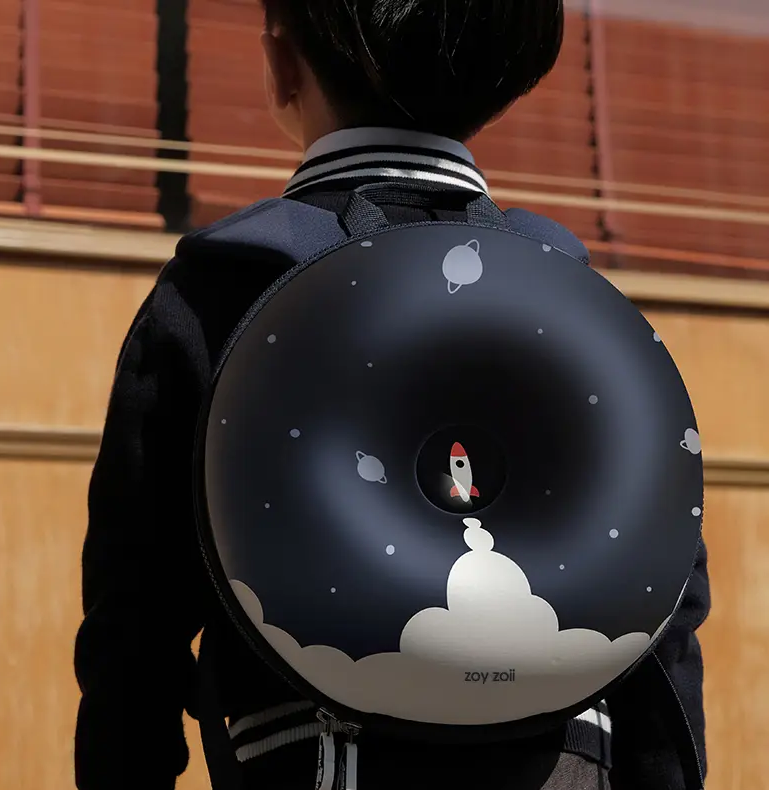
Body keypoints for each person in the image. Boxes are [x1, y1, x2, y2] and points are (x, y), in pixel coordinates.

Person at [74, 1, 710, 789]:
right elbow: (664, 614)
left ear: (281, 61)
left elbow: (133, 627)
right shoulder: (586, 305)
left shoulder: (217, 289)